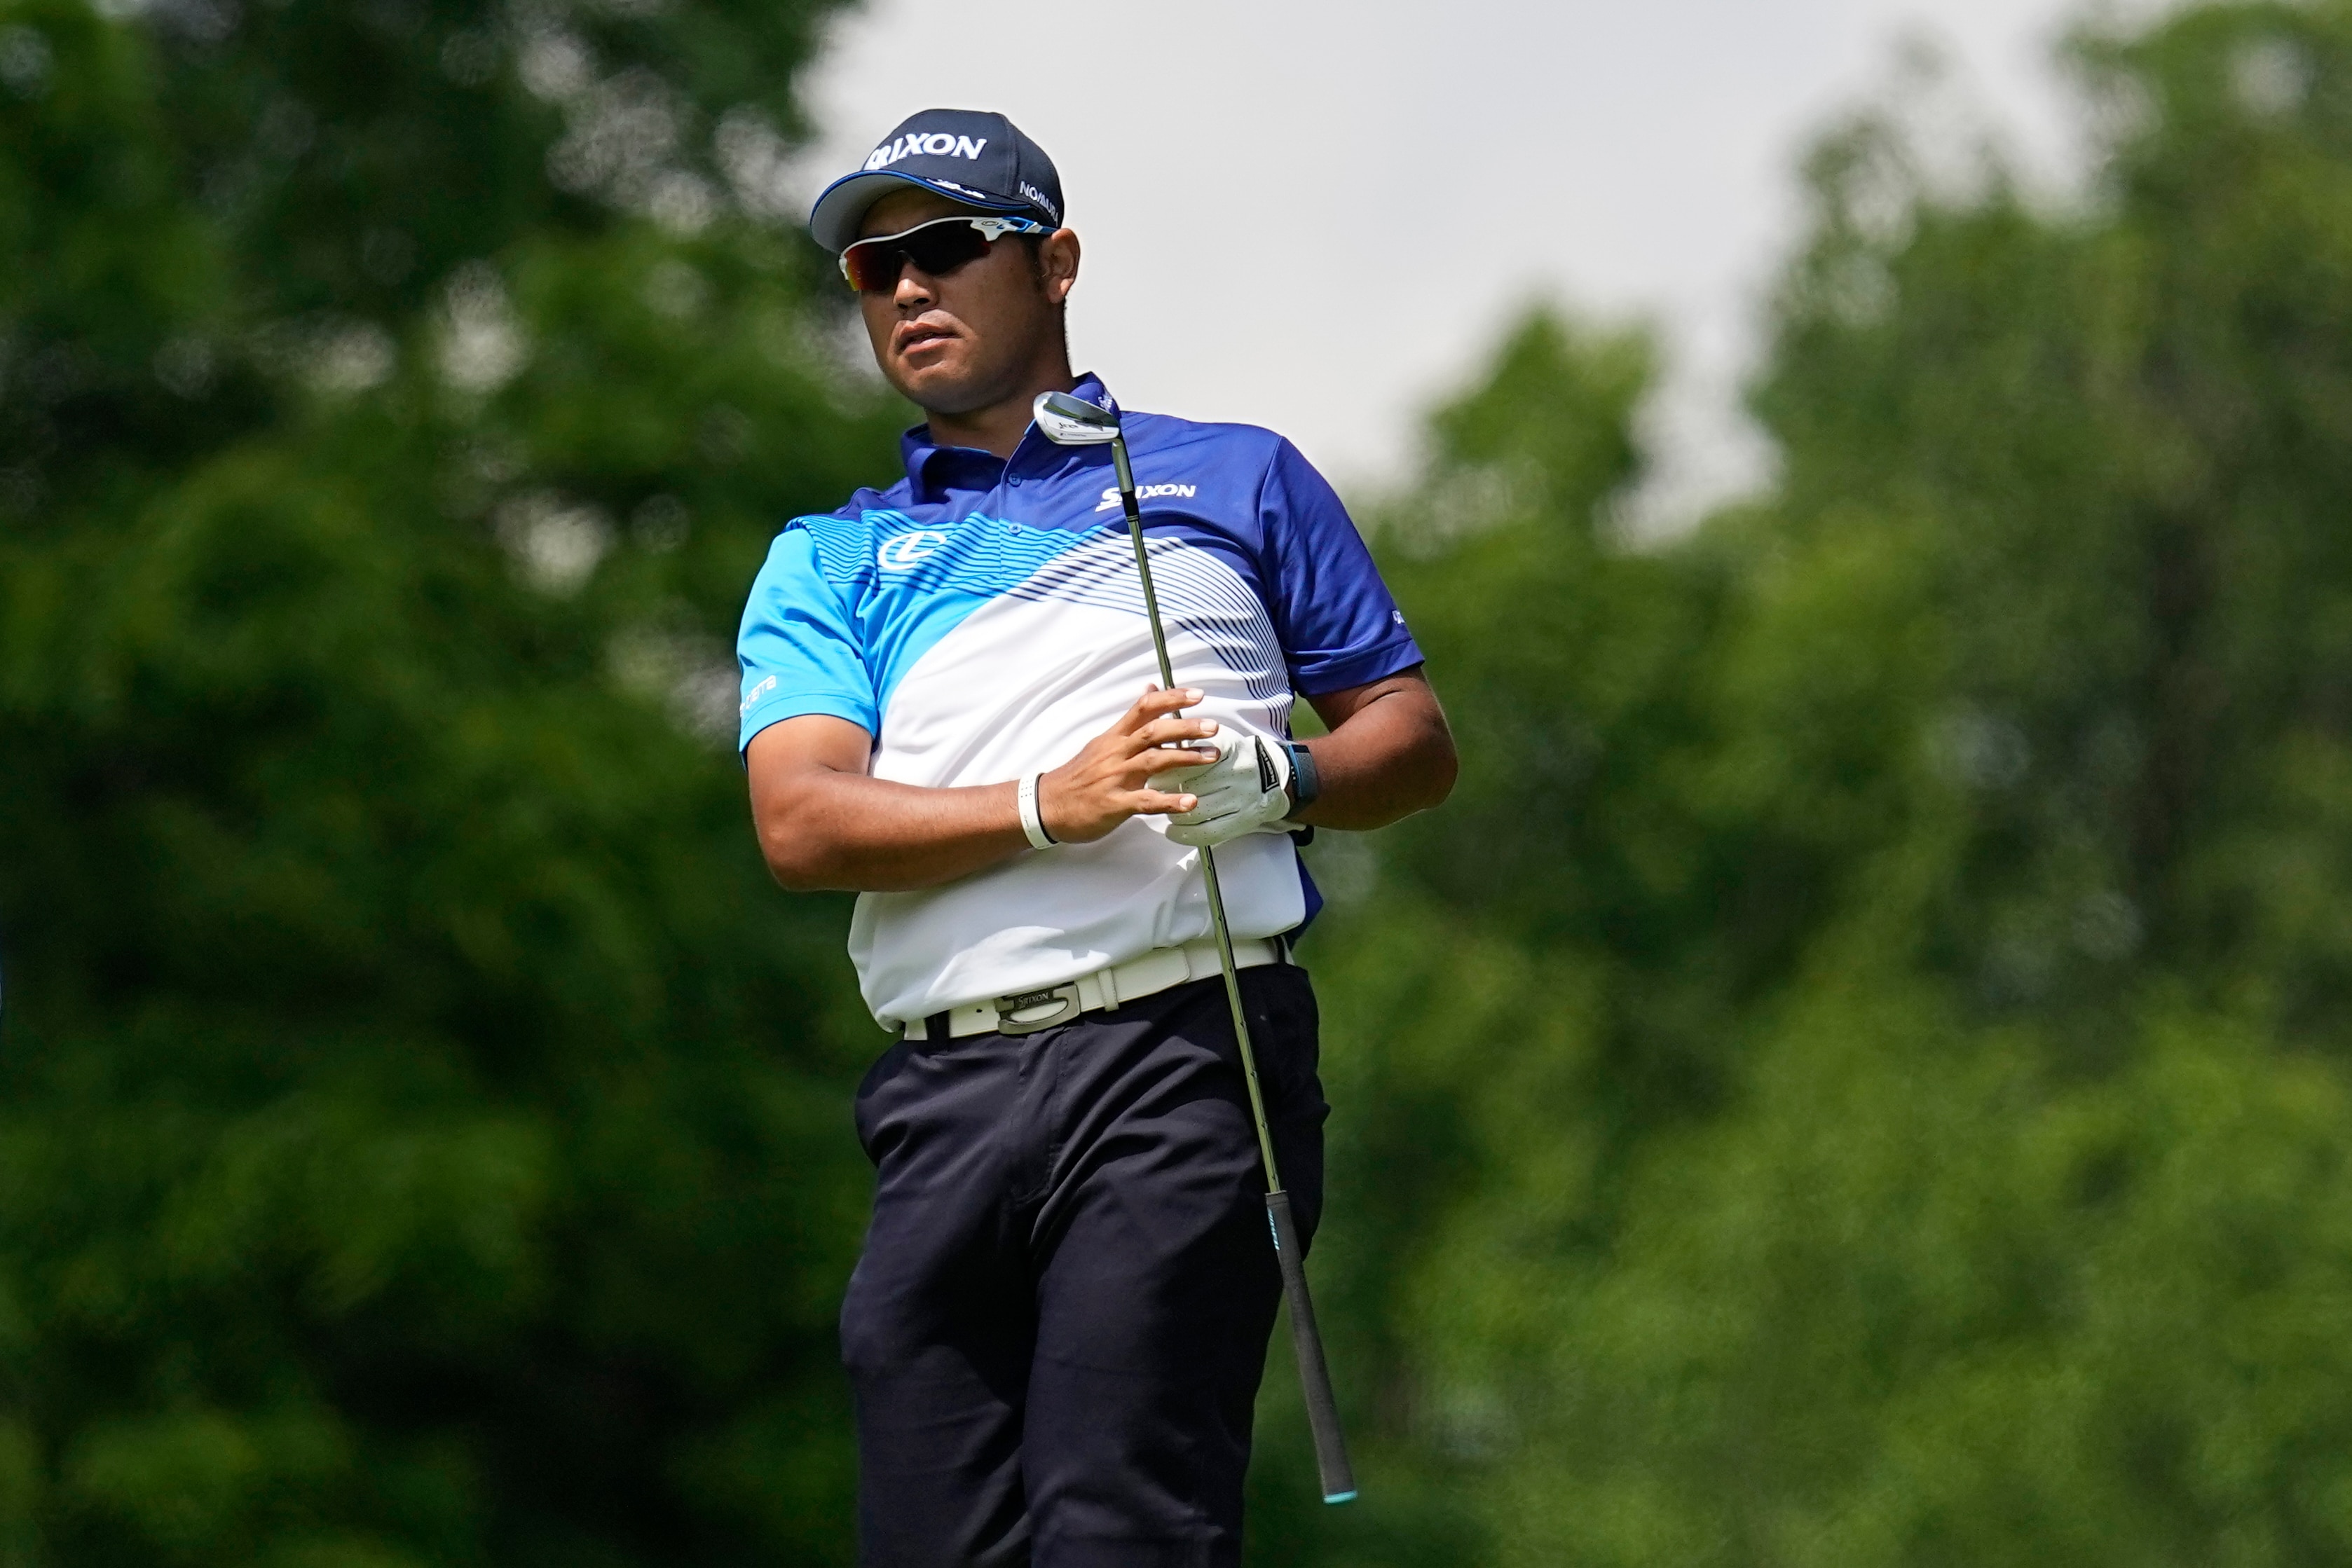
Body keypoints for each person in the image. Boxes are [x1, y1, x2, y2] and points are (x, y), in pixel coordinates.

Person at [737, 107, 1457, 1567]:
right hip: (942, 1095)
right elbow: (801, 820)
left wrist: (1286, 779)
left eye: (948, 246)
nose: (908, 288)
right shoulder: (830, 553)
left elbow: (1411, 737)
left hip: (1183, 1057)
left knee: (1118, 1523)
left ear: (1055, 264)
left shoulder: (1237, 479)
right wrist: (1044, 805)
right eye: (874, 268)